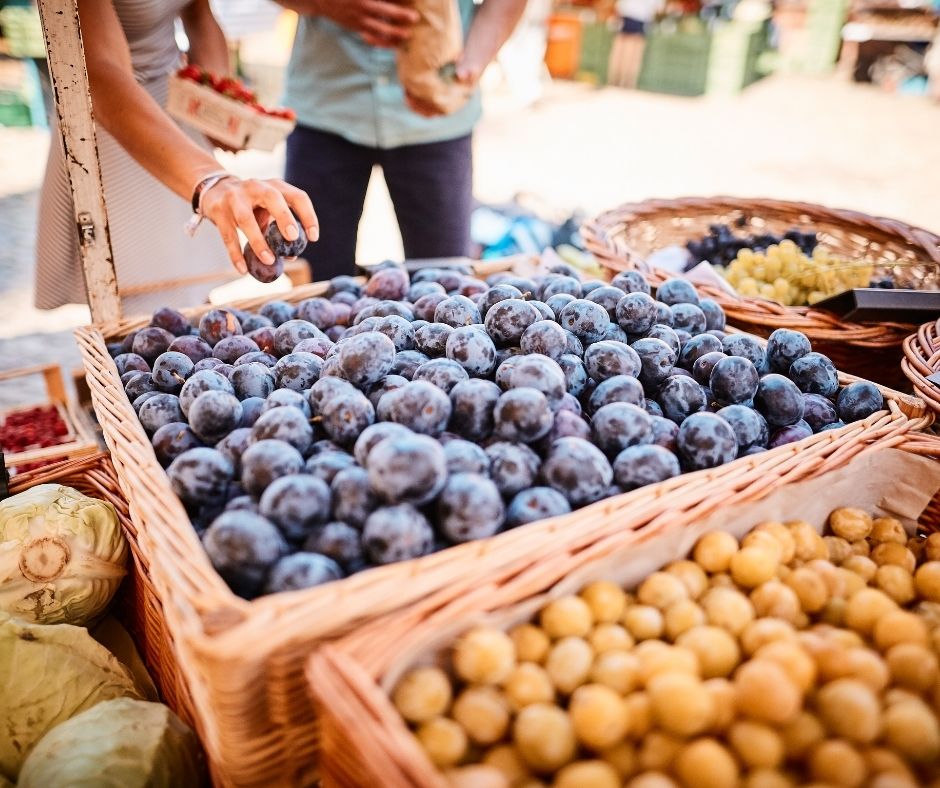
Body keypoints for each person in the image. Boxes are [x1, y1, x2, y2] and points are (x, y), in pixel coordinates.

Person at [35, 0, 318, 315]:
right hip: (115, 119)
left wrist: (221, 108)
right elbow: (100, 72)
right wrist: (213, 182)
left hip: (177, 103)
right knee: (148, 306)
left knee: (196, 293)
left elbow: (197, 11)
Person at [276, 0, 528, 281]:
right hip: (323, 109)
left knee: (445, 285)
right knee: (315, 285)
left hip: (440, 120)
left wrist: (475, 60)